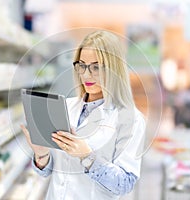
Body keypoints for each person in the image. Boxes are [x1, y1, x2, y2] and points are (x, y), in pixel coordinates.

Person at [21, 30, 146, 200]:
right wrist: (41, 154)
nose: (86, 75)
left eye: (96, 67)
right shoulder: (65, 106)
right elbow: (51, 171)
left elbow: (125, 184)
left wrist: (88, 157)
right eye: (82, 65)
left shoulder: (131, 119)